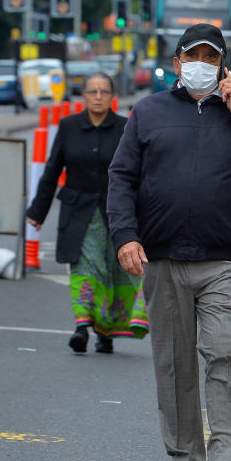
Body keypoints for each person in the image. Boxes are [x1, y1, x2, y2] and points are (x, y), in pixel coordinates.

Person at [108, 22, 231, 461]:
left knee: (225, 352)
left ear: (225, 65)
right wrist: (125, 236)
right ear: (176, 63)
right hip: (162, 260)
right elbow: (122, 177)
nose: (201, 66)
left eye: (211, 58)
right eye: (194, 57)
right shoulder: (147, 113)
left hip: (219, 260)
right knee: (173, 365)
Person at [27, 72, 147, 355]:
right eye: (92, 91)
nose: (97, 96)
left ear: (112, 96)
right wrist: (38, 211)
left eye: (103, 91)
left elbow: (138, 174)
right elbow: (52, 169)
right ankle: (81, 326)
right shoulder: (68, 127)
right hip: (79, 213)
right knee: (85, 269)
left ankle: (105, 333)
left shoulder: (124, 127)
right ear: (83, 96)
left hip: (116, 213)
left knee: (111, 271)